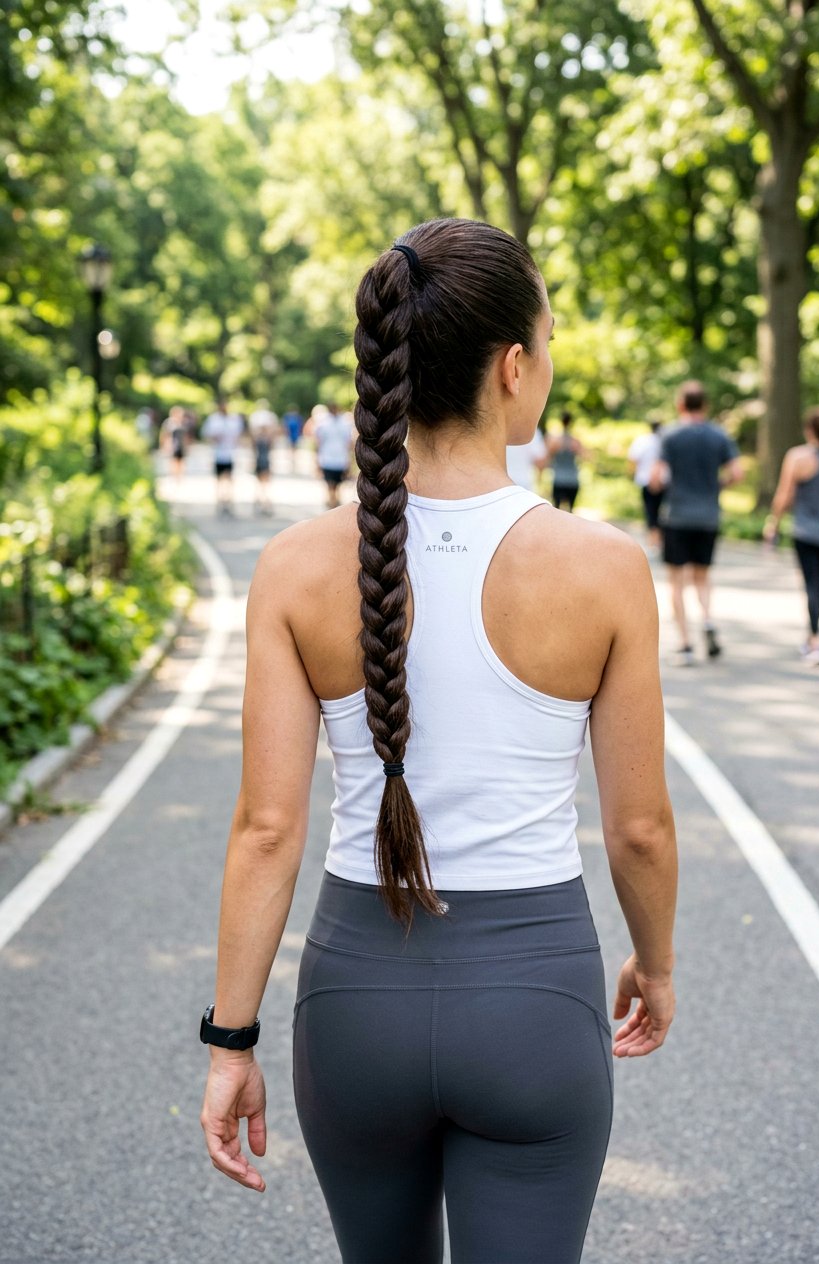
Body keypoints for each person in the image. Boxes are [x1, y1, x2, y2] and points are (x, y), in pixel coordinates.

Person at [200, 219, 678, 1264]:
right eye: (546, 344)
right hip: (533, 1000)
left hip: (352, 1000)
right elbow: (637, 827)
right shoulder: (600, 567)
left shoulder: (294, 566)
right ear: (513, 367)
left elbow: (267, 828)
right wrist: (655, 962)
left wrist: (229, 1039)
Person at [651, 381, 743, 665]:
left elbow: (655, 478)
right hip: (708, 516)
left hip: (677, 515)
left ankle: (686, 644)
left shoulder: (670, 435)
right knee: (702, 577)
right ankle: (707, 620)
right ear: (705, 405)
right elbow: (737, 473)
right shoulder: (719, 435)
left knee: (676, 582)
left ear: (680, 405)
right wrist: (717, 485)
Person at [764, 405, 819, 666]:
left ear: (809, 429)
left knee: (812, 585)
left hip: (805, 532)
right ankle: (812, 636)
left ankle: (815, 640)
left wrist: (773, 524)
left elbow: (784, 495)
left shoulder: (797, 457)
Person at [203, 399, 243, 516]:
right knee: (219, 479)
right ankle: (220, 501)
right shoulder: (213, 420)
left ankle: (228, 500)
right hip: (218, 454)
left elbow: (238, 435)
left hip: (230, 453)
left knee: (229, 479)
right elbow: (207, 435)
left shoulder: (233, 420)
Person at [628, 420, 665, 550]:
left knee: (650, 511)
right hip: (664, 482)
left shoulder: (642, 441)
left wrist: (631, 474)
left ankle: (653, 541)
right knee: (662, 512)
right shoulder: (665, 441)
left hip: (646, 480)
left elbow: (633, 459)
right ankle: (659, 540)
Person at [311, 402, 354, 509]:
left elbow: (318, 442)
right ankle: (334, 504)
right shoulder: (344, 424)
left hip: (330, 458)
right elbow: (349, 443)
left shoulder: (324, 424)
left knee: (332, 485)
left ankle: (332, 503)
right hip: (336, 458)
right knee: (334, 485)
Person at [546, 410, 587, 511]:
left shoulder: (554, 441)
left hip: (559, 479)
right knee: (570, 511)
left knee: (556, 510)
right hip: (572, 479)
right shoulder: (575, 441)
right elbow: (585, 457)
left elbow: (547, 458)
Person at [505, 424, 547, 490]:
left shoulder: (499, 430)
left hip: (502, 484)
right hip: (523, 483)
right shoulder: (532, 432)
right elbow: (540, 462)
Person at [160, 405, 189, 483]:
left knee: (181, 461)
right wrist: (164, 445)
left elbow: (186, 435)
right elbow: (164, 434)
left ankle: (179, 477)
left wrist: (187, 445)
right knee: (173, 461)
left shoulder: (183, 423)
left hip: (181, 445)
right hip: (172, 445)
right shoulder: (169, 423)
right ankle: (174, 477)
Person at [251, 424, 275, 516]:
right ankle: (262, 503)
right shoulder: (260, 440)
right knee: (262, 484)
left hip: (263, 462)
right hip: (262, 462)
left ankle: (263, 503)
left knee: (263, 484)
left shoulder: (263, 440)